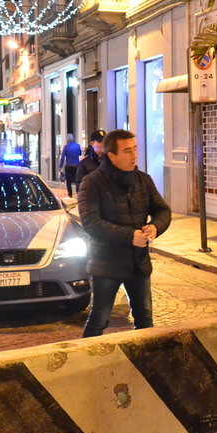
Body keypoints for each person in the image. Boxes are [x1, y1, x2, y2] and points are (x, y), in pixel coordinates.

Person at [77, 129, 171, 337]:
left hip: (138, 263)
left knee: (145, 319)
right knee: (99, 318)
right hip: (106, 264)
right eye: (127, 151)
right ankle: (85, 356)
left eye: (135, 149)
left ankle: (146, 355)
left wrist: (155, 227)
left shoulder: (143, 180)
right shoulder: (92, 182)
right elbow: (91, 223)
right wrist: (130, 236)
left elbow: (162, 210)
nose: (134, 155)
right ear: (111, 155)